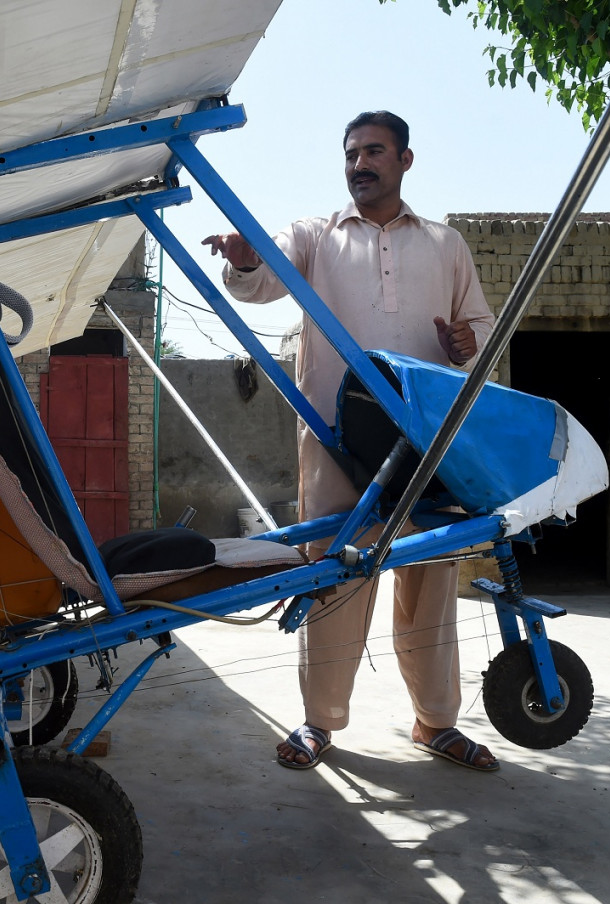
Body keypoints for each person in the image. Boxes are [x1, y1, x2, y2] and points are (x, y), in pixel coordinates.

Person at [203, 111, 499, 771]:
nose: (360, 164)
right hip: (336, 442)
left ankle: (437, 723)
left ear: (405, 161)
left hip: (423, 442)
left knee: (430, 578)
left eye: (374, 152)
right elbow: (264, 272)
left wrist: (466, 340)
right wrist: (246, 260)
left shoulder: (446, 244)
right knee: (333, 575)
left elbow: (478, 322)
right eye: (351, 154)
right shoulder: (318, 236)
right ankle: (319, 723)